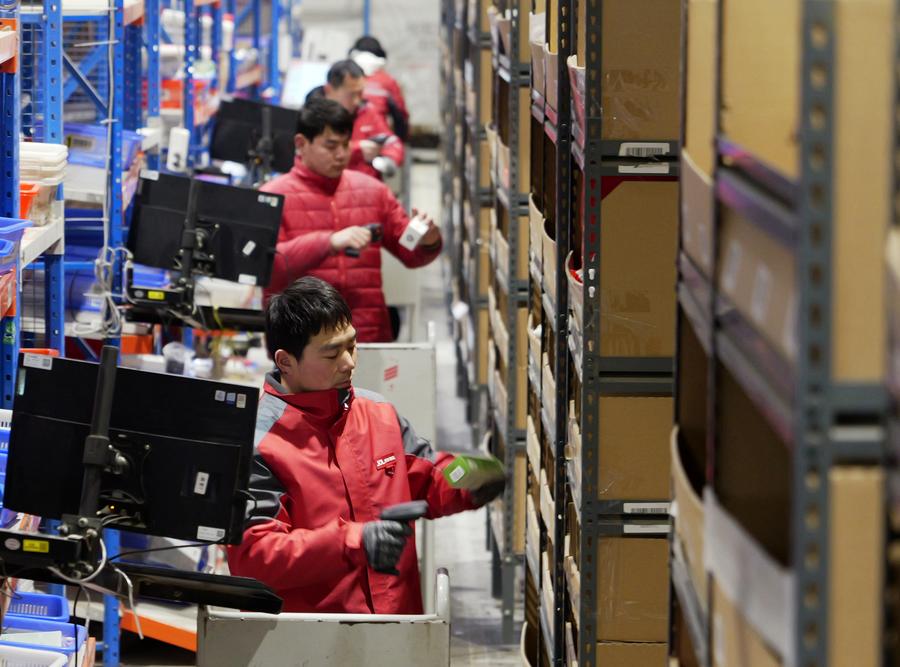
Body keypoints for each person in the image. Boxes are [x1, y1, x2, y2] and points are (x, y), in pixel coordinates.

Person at [226, 277, 505, 614]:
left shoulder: (377, 413)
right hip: (316, 637)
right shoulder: (261, 444)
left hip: (399, 625)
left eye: (352, 345)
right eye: (332, 353)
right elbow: (253, 556)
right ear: (285, 361)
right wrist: (354, 542)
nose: (349, 362)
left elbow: (428, 475)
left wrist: (466, 477)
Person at [261, 97, 439, 343]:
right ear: (301, 144)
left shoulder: (373, 191)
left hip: (367, 337)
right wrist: (328, 242)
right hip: (302, 344)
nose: (342, 155)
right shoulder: (272, 197)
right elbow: (268, 268)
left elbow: (409, 253)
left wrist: (427, 240)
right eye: (331, 146)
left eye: (346, 144)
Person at [306, 59, 404, 181]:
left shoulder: (367, 111)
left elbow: (391, 140)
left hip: (366, 186)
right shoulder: (313, 116)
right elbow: (312, 154)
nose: (357, 100)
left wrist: (389, 159)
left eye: (360, 93)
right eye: (351, 95)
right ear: (329, 90)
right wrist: (358, 149)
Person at [349, 36, 410, 141]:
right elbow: (400, 116)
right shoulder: (388, 81)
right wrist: (399, 142)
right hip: (378, 138)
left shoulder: (345, 78)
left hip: (348, 139)